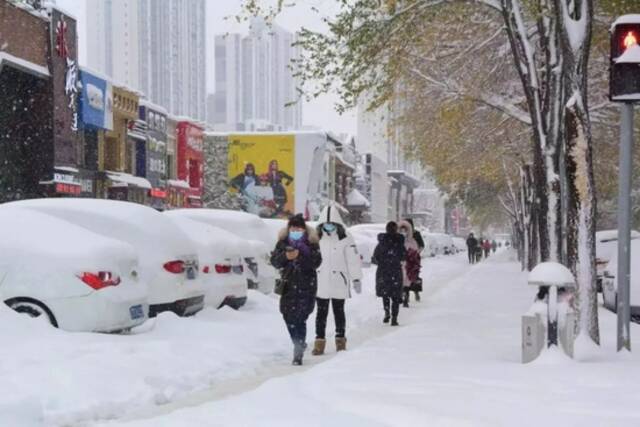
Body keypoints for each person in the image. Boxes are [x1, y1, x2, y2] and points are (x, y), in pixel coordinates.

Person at [270, 214, 322, 365]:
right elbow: (275, 261)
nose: (295, 230)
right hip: (288, 286)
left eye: (298, 228)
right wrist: (286, 257)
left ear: (303, 229)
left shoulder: (311, 243)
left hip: (307, 285)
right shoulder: (282, 242)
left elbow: (316, 262)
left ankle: (298, 351)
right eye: (293, 228)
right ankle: (298, 341)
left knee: (301, 318)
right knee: (288, 316)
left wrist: (301, 256)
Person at [312, 204, 363, 356]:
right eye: (326, 224)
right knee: (321, 313)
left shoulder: (345, 237)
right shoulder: (316, 237)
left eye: (332, 224)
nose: (329, 226)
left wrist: (356, 278)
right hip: (321, 281)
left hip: (339, 281)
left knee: (338, 312)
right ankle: (319, 342)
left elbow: (352, 259)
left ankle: (340, 340)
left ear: (336, 224)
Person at [372, 221, 406, 326]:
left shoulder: (381, 242)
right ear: (396, 229)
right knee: (395, 295)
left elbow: (375, 257)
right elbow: (404, 256)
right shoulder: (400, 242)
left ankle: (387, 311)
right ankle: (394, 317)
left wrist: (381, 261)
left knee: (385, 294)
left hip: (383, 271)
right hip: (395, 270)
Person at [399, 220, 421, 308]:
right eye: (402, 231)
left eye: (405, 231)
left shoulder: (412, 241)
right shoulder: (397, 240)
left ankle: (406, 298)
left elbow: (416, 250)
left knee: (407, 281)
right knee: (400, 281)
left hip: (409, 264)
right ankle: (401, 296)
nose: (404, 233)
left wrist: (413, 258)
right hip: (399, 264)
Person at [405, 218, 425, 302]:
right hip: (405, 259)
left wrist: (416, 253)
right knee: (405, 277)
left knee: (414, 276)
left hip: (414, 259)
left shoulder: (416, 234)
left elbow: (422, 245)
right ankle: (406, 295)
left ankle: (416, 292)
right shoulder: (402, 234)